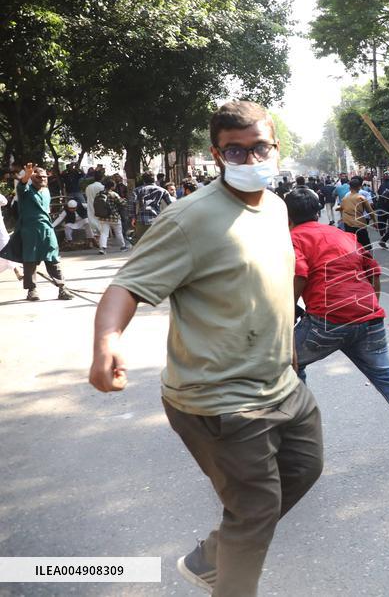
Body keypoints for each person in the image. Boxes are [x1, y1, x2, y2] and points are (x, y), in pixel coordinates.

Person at [87, 101, 323, 596]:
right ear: (218, 155)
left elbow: (270, 288)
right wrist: (107, 342)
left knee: (304, 469)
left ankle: (212, 556)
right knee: (255, 511)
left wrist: (290, 351)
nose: (250, 157)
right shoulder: (189, 218)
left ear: (275, 144)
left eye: (258, 146)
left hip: (282, 381)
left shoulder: (277, 207)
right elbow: (126, 286)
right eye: (235, 151)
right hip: (220, 398)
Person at [285, 186, 389, 465]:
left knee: (286, 363)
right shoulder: (343, 235)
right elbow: (373, 272)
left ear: (288, 217)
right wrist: (370, 307)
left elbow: (300, 275)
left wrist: (286, 311)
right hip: (368, 317)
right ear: (319, 211)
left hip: (327, 322)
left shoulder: (293, 238)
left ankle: (298, 442)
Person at [0, 164, 73, 301]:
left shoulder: (46, 191)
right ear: (32, 178)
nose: (42, 179)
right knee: (30, 260)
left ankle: (62, 288)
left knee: (53, 258)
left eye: (44, 177)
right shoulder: (25, 191)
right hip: (29, 230)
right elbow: (21, 184)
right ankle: (32, 290)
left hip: (46, 229)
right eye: (38, 177)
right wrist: (27, 175)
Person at [131, 172, 171, 243]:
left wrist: (133, 217)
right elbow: (171, 204)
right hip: (156, 220)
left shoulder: (137, 190)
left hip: (141, 220)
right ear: (154, 179)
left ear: (143, 180)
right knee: (155, 243)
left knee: (141, 243)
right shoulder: (162, 190)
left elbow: (131, 204)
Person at [338, 176, 376, 250]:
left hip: (348, 224)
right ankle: (367, 259)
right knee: (366, 246)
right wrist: (375, 222)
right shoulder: (361, 197)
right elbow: (370, 211)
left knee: (352, 245)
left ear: (349, 188)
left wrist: (342, 218)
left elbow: (341, 208)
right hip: (360, 224)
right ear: (359, 187)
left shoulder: (345, 198)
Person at [93, 183, 130, 254]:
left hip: (103, 217)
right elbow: (122, 203)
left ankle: (102, 248)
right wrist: (125, 200)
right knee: (118, 232)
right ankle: (123, 246)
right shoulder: (113, 194)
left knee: (104, 233)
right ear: (112, 186)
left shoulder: (98, 194)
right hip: (114, 217)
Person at [84, 170, 106, 236]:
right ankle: (101, 240)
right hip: (100, 208)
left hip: (90, 206)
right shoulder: (102, 187)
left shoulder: (88, 187)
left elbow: (87, 196)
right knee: (101, 224)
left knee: (92, 222)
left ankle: (93, 238)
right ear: (102, 178)